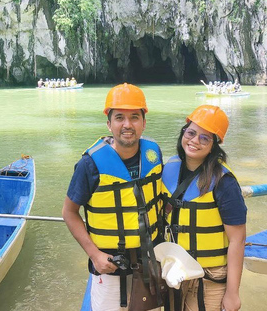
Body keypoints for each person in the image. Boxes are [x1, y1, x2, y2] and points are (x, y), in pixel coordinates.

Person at [62, 83, 164, 310]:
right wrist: (94, 254)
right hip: (110, 267)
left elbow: (160, 200)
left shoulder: (153, 154)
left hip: (150, 263)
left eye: (134, 117)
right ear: (109, 123)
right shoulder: (89, 165)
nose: (127, 125)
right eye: (119, 117)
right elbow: (69, 212)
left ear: (144, 123)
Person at [161, 105, 247, 311]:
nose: (194, 141)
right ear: (183, 132)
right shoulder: (168, 170)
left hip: (209, 275)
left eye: (204, 138)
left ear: (214, 146)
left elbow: (238, 240)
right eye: (191, 133)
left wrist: (232, 293)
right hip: (173, 269)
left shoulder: (224, 182)